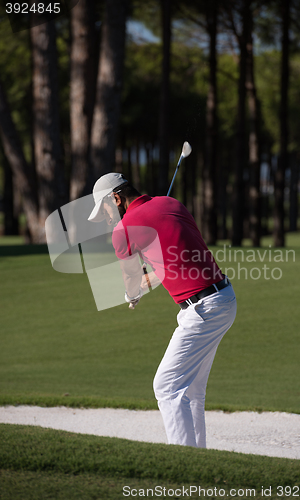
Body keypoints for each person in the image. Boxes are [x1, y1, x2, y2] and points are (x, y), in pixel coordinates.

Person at [88, 172, 237, 448]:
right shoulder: (171, 204)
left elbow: (132, 280)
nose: (108, 219)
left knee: (166, 386)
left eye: (106, 210)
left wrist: (132, 294)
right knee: (191, 390)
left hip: (202, 309)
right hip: (224, 299)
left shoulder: (123, 231)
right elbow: (179, 260)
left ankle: (184, 463)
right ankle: (196, 459)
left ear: (116, 198)